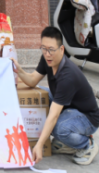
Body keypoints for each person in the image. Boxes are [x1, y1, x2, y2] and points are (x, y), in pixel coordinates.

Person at [13, 26, 99, 165]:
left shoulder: (68, 76)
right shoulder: (47, 59)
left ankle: (87, 144)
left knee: (58, 127)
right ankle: (68, 143)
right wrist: (19, 70)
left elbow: (53, 116)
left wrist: (39, 145)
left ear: (61, 49)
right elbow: (33, 80)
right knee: (38, 96)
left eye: (51, 49)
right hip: (68, 107)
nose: (47, 54)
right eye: (44, 48)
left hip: (87, 117)